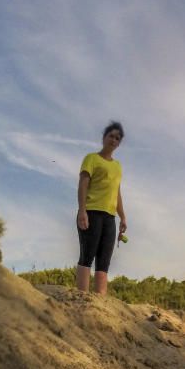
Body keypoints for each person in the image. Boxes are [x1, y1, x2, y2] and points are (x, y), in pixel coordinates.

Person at [76, 121, 127, 294]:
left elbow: (117, 192)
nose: (114, 140)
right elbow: (83, 184)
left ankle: (101, 304)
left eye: (117, 138)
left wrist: (123, 217)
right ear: (104, 138)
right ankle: (82, 299)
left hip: (110, 217)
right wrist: (82, 210)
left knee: (104, 261)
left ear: (119, 143)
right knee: (87, 256)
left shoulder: (118, 166)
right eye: (111, 136)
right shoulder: (91, 158)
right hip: (91, 212)